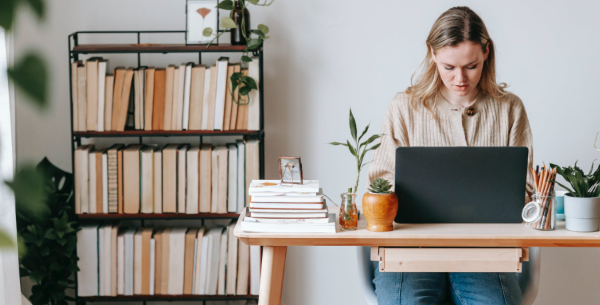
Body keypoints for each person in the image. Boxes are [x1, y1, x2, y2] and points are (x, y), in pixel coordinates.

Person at [367, 6, 534, 305]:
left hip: (485, 252)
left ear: (486, 52)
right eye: (449, 67)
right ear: (432, 54)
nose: (460, 78)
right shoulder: (404, 107)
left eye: (470, 65)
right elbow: (380, 181)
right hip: (410, 250)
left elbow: (526, 189)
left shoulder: (510, 109)